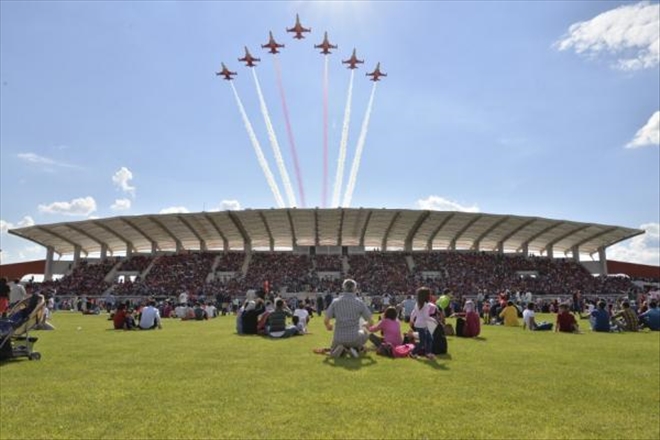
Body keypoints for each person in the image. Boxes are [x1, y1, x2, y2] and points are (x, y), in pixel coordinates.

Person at [324, 279, 373, 358]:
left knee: (334, 348)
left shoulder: (335, 302)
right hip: (354, 338)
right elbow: (370, 320)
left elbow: (326, 320)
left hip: (338, 338)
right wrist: (366, 324)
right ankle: (355, 349)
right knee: (364, 332)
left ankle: (341, 349)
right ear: (355, 289)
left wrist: (328, 326)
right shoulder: (359, 302)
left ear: (343, 288)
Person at [410, 287, 436, 359]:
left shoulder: (418, 303)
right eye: (429, 294)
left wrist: (411, 320)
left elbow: (413, 313)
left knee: (429, 339)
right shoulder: (426, 305)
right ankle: (413, 353)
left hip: (419, 324)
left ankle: (428, 353)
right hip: (423, 325)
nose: (430, 295)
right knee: (423, 342)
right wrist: (433, 320)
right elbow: (426, 317)